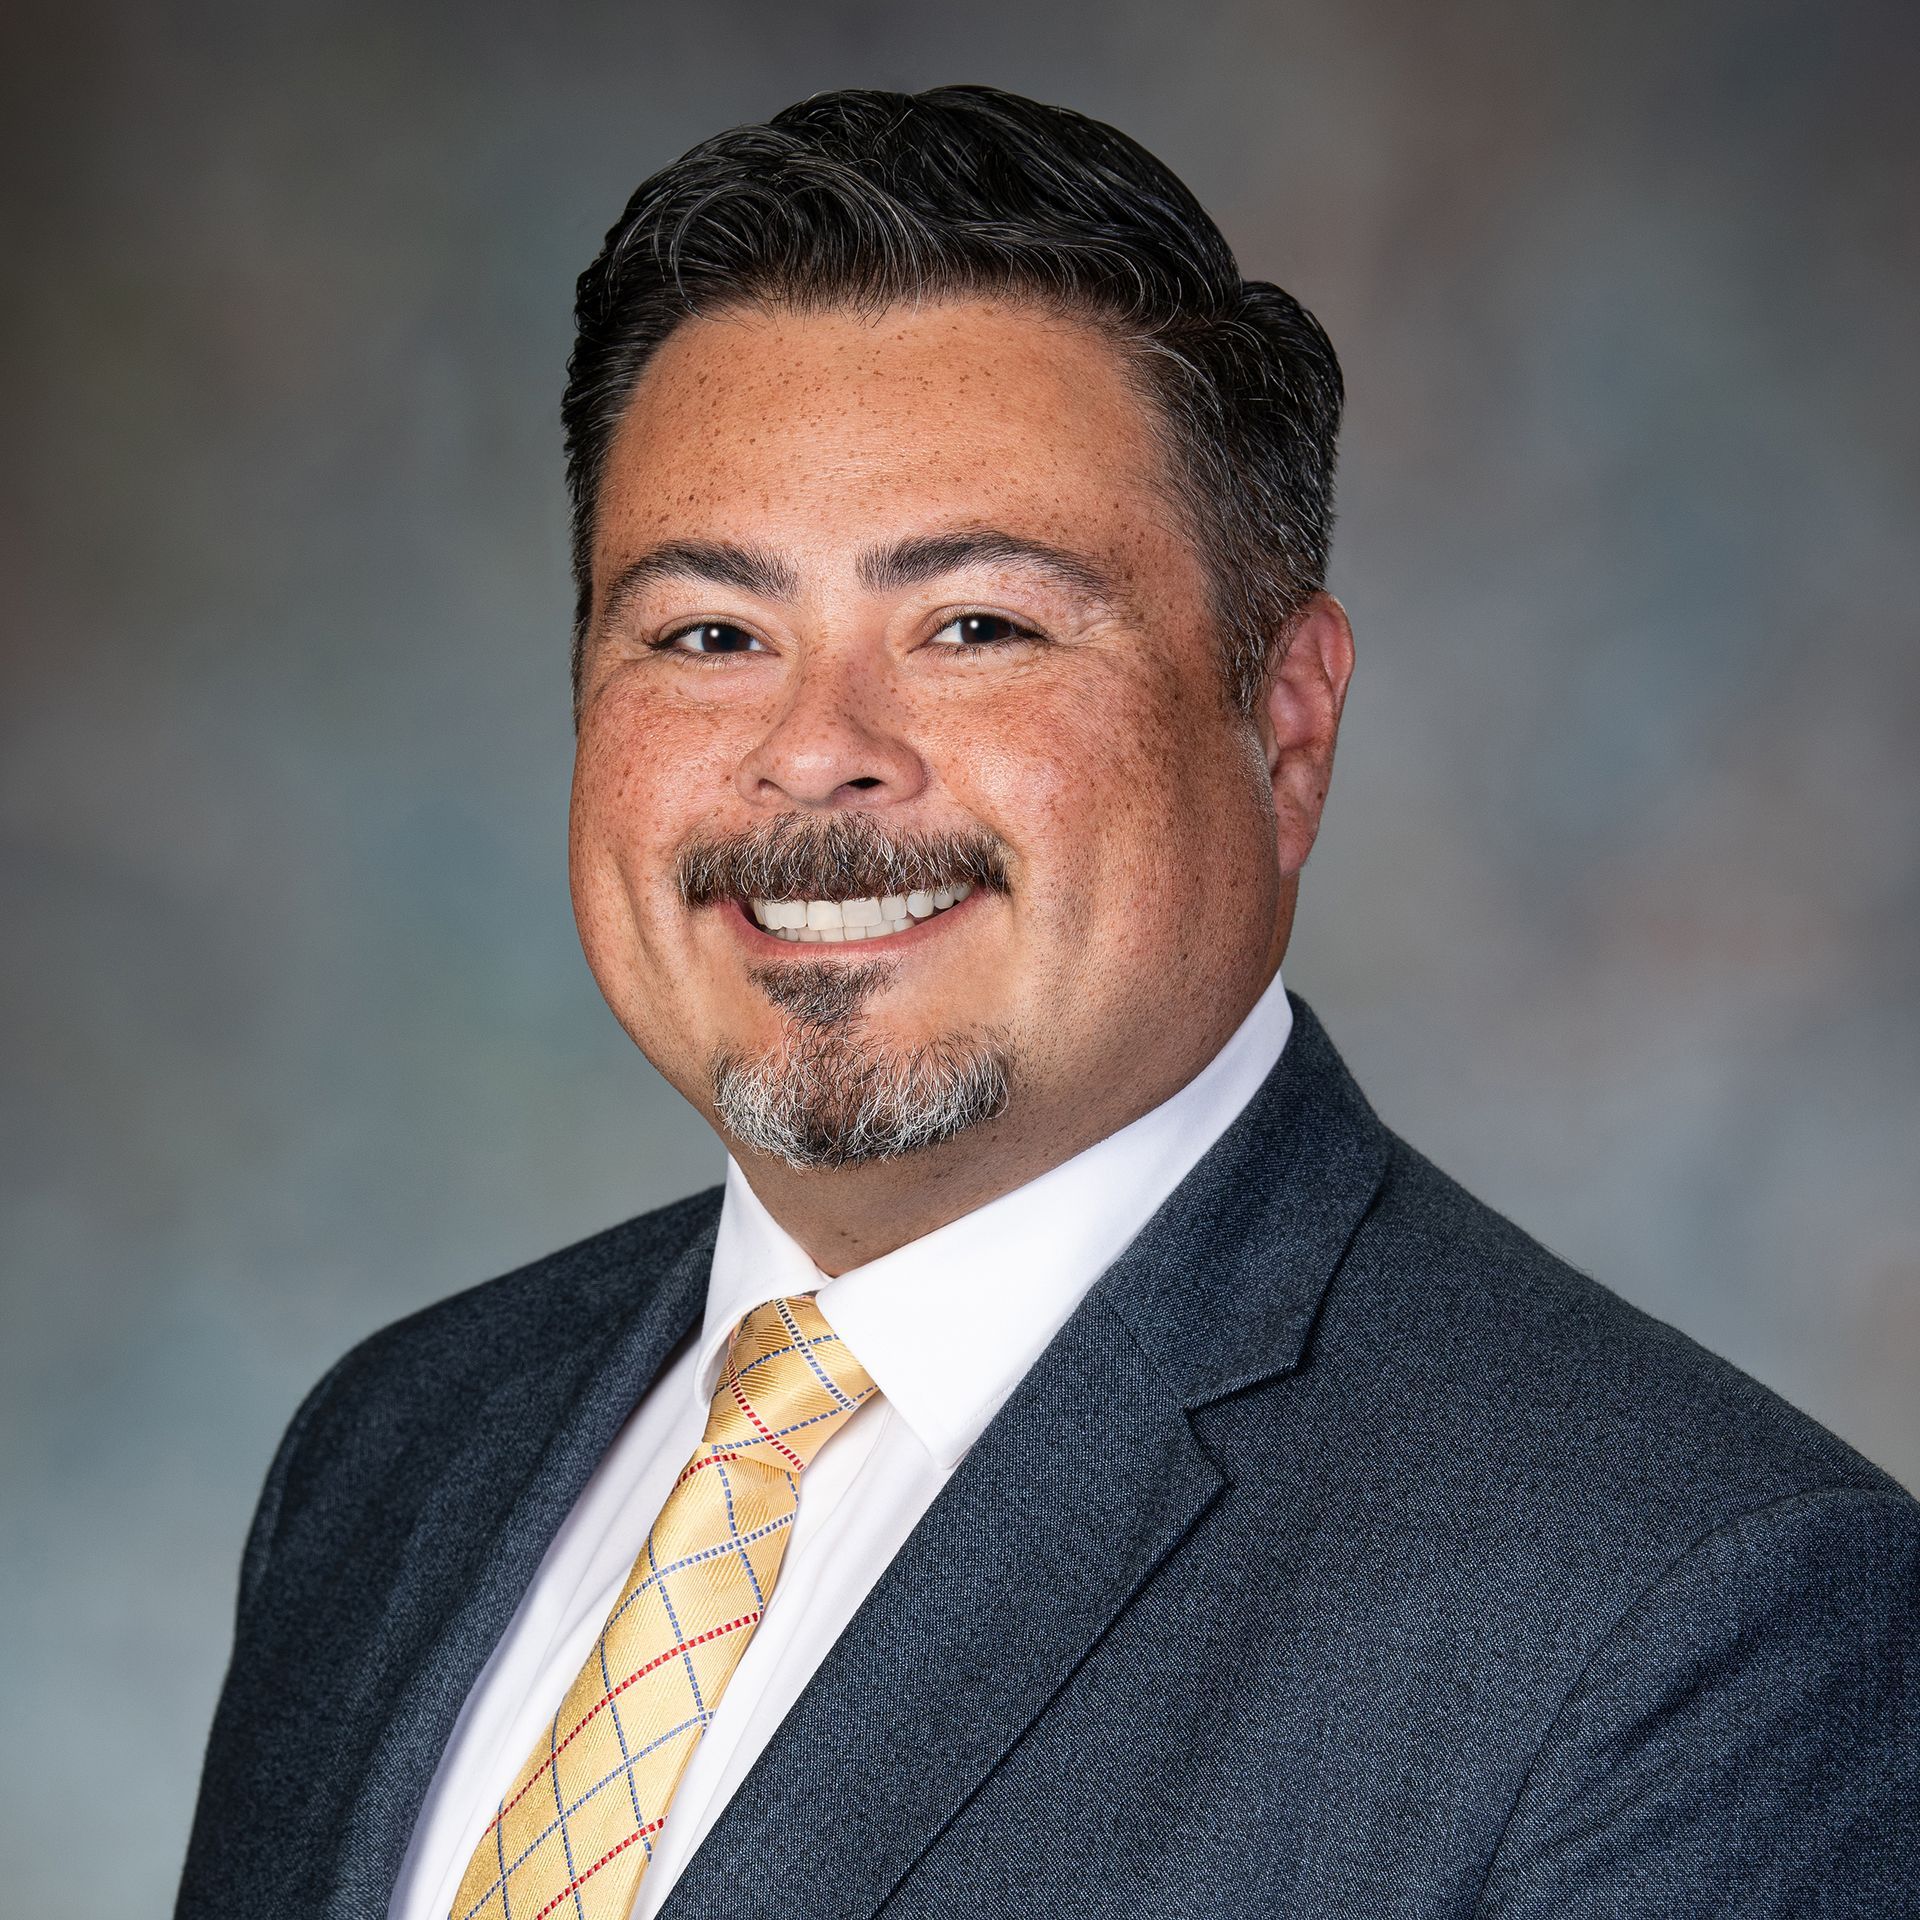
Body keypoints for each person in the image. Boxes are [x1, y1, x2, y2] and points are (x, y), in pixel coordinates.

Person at [177, 86, 1919, 1920]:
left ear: (1288, 728)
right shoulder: (398, 1448)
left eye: (979, 628)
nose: (818, 757)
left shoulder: (1694, 1622)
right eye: (708, 635)